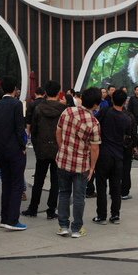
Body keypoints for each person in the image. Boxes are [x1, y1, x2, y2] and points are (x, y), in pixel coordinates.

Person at [55, 87, 102, 238]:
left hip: (63, 160)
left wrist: (62, 147)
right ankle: (76, 228)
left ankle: (63, 226)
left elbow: (58, 131)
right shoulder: (94, 123)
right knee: (78, 197)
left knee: (63, 193)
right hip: (81, 164)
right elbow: (95, 149)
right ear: (96, 104)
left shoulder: (67, 112)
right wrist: (93, 167)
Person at [23, 80, 65, 220]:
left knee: (39, 179)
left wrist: (36, 145)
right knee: (55, 181)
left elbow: (34, 129)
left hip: (41, 148)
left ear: (45, 92)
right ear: (59, 92)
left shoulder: (39, 108)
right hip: (58, 148)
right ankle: (51, 210)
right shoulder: (63, 110)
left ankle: (33, 208)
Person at [0, 77, 28, 231]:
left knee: (6, 184)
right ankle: (13, 220)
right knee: (17, 184)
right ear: (14, 89)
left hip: (1, 149)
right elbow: (20, 128)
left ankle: (5, 217)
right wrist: (23, 145)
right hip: (15, 149)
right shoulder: (16, 104)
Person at [93, 89, 131, 224]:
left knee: (101, 185)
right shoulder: (127, 118)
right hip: (118, 155)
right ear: (125, 101)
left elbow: (94, 123)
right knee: (116, 186)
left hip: (104, 153)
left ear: (112, 99)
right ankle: (115, 215)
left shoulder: (105, 111)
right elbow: (129, 138)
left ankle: (101, 215)